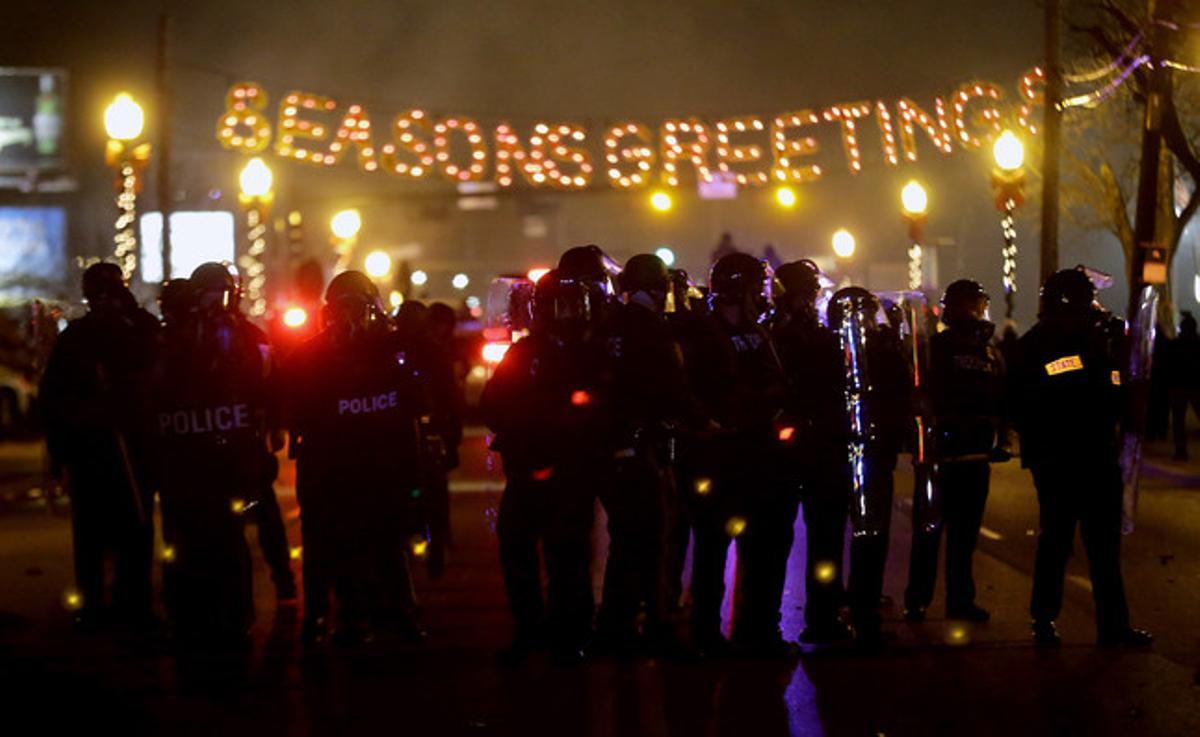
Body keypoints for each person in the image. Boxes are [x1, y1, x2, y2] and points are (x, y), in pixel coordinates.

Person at [1010, 268, 1151, 647]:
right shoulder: (1035, 347)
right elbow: (1023, 406)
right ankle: (1043, 619)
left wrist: (1123, 363)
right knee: (1057, 541)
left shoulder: (1096, 345)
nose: (1091, 312)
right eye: (1084, 305)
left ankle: (1114, 627)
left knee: (1105, 547)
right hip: (1058, 461)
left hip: (1099, 457)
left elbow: (1115, 392)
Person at [284, 271, 426, 646]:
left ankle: (394, 614)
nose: (348, 317)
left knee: (386, 544)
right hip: (330, 470)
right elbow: (290, 410)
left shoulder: (393, 351)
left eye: (356, 307)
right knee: (323, 548)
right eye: (341, 308)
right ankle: (321, 616)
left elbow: (418, 401)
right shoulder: (307, 355)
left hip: (378, 468)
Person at [482, 269, 611, 665]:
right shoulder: (579, 351)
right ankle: (561, 633)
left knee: (554, 553)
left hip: (550, 470)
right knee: (558, 553)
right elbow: (493, 404)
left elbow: (492, 405)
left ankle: (549, 632)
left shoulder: (569, 352)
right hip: (550, 469)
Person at [151, 263, 267, 646]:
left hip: (224, 459)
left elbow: (263, 387)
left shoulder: (244, 337)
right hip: (184, 461)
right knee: (184, 542)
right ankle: (188, 617)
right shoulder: (166, 340)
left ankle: (231, 615)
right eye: (207, 294)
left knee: (226, 539)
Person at [40, 263, 159, 631]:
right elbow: (54, 399)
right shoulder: (81, 337)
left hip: (126, 446)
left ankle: (121, 602)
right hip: (96, 448)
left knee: (123, 530)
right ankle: (112, 602)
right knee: (112, 531)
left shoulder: (130, 329)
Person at [689, 253, 793, 657]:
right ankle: (706, 635)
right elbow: (716, 392)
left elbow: (777, 380)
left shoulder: (757, 329)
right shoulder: (705, 332)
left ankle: (758, 631)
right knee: (713, 550)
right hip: (722, 453)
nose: (762, 295)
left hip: (759, 453)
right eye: (755, 286)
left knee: (763, 549)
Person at [593, 254, 695, 656]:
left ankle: (614, 625)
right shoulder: (652, 329)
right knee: (652, 540)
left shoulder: (606, 326)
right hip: (642, 449)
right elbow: (673, 386)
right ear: (659, 287)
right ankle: (654, 624)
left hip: (609, 447)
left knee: (624, 539)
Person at [904, 280, 1007, 623]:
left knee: (964, 538)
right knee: (929, 533)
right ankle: (918, 600)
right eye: (974, 303)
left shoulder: (990, 351)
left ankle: (960, 601)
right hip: (940, 456)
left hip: (976, 456)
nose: (978, 310)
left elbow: (1000, 399)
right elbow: (921, 398)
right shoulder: (935, 348)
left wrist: (1001, 440)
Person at [769, 260, 851, 644]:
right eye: (811, 292)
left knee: (784, 539)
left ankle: (769, 622)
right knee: (822, 535)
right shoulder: (790, 335)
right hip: (812, 445)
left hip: (799, 446)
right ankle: (821, 616)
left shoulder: (770, 331)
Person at [828, 287, 911, 649]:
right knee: (865, 536)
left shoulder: (833, 347)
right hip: (861, 454)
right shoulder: (859, 350)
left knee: (853, 536)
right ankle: (859, 613)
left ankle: (843, 608)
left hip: (862, 453)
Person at [1169, 312, 1200, 460]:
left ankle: (1181, 451)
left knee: (1179, 421)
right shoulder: (1197, 343)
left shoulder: (1177, 344)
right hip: (1194, 384)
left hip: (1179, 385)